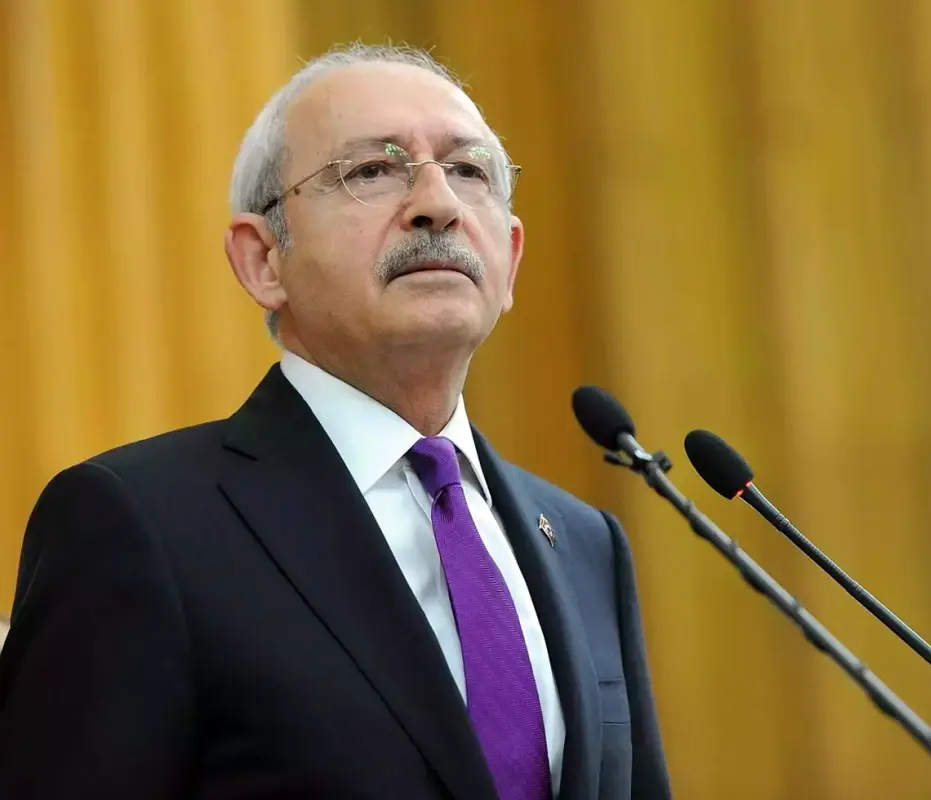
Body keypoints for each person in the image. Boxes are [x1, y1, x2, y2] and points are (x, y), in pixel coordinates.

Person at [0, 43, 671, 799]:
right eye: (373, 170)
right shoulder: (137, 522)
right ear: (263, 260)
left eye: (469, 171)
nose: (438, 204)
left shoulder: (583, 542)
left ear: (510, 259)